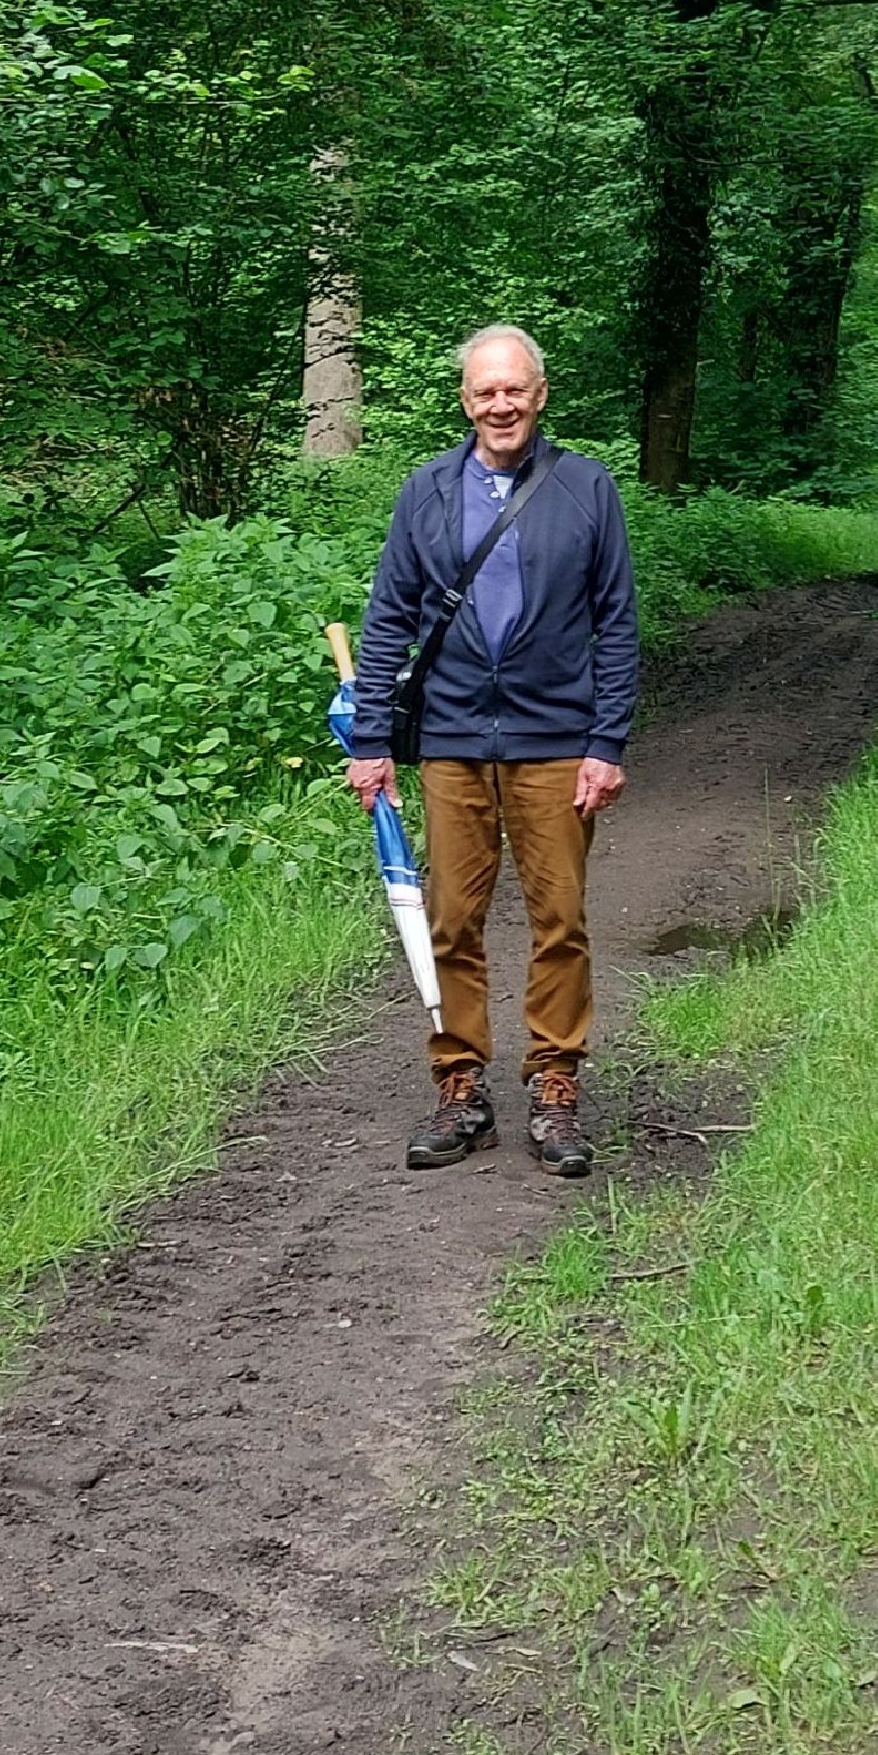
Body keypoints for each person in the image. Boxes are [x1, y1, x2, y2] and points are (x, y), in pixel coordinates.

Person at [344, 324, 637, 1177]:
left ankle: (555, 1084)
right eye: (485, 391)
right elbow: (388, 619)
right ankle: (459, 1085)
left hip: (557, 741)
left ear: (539, 394)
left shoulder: (586, 487)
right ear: (466, 401)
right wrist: (371, 740)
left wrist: (606, 742)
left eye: (514, 389)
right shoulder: (428, 490)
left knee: (560, 922)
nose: (500, 404)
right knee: (450, 919)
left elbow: (616, 623)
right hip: (451, 740)